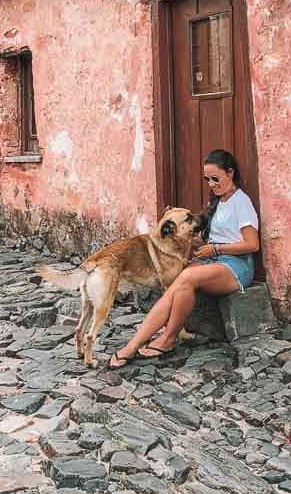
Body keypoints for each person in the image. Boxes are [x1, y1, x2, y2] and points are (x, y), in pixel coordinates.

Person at [110, 148, 259, 368]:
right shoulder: (218, 201)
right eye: (207, 179)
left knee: (187, 277)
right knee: (176, 284)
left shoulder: (241, 202)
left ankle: (167, 339)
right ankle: (134, 345)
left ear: (230, 173)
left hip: (235, 265)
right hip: (214, 260)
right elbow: (212, 239)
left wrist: (215, 250)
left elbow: (251, 244)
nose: (211, 184)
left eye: (215, 178)